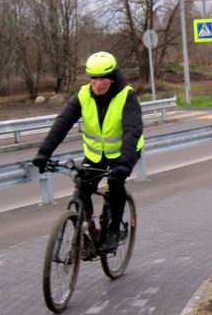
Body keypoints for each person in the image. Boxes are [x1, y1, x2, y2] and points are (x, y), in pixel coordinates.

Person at [32, 52, 144, 252]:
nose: (97, 84)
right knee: (82, 186)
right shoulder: (83, 95)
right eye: (93, 78)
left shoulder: (127, 96)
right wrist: (44, 153)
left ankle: (114, 230)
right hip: (95, 155)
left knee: (115, 183)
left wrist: (125, 164)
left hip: (123, 153)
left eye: (102, 79)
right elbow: (62, 123)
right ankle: (87, 231)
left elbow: (132, 131)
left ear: (112, 77)